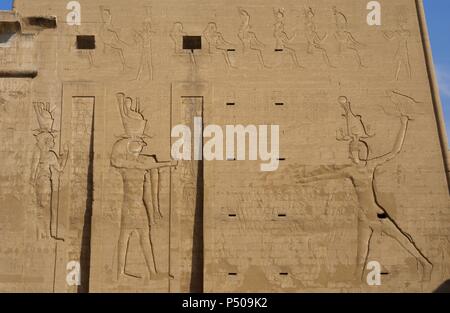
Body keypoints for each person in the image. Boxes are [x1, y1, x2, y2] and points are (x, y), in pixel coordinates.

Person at [297, 96, 433, 281]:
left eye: (355, 151)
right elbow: (327, 174)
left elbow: (395, 151)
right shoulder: (350, 170)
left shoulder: (369, 167)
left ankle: (425, 263)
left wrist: (403, 124)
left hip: (378, 215)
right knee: (361, 254)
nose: (352, 154)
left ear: (361, 152)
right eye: (351, 152)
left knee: (402, 240)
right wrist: (306, 179)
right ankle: (356, 283)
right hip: (363, 216)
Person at [113, 93, 177, 280]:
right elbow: (141, 165)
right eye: (139, 142)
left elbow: (148, 166)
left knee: (144, 237)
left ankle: (152, 272)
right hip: (129, 205)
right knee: (125, 237)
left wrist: (155, 207)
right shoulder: (126, 164)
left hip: (138, 205)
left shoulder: (140, 162)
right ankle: (120, 272)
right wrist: (168, 164)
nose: (142, 145)